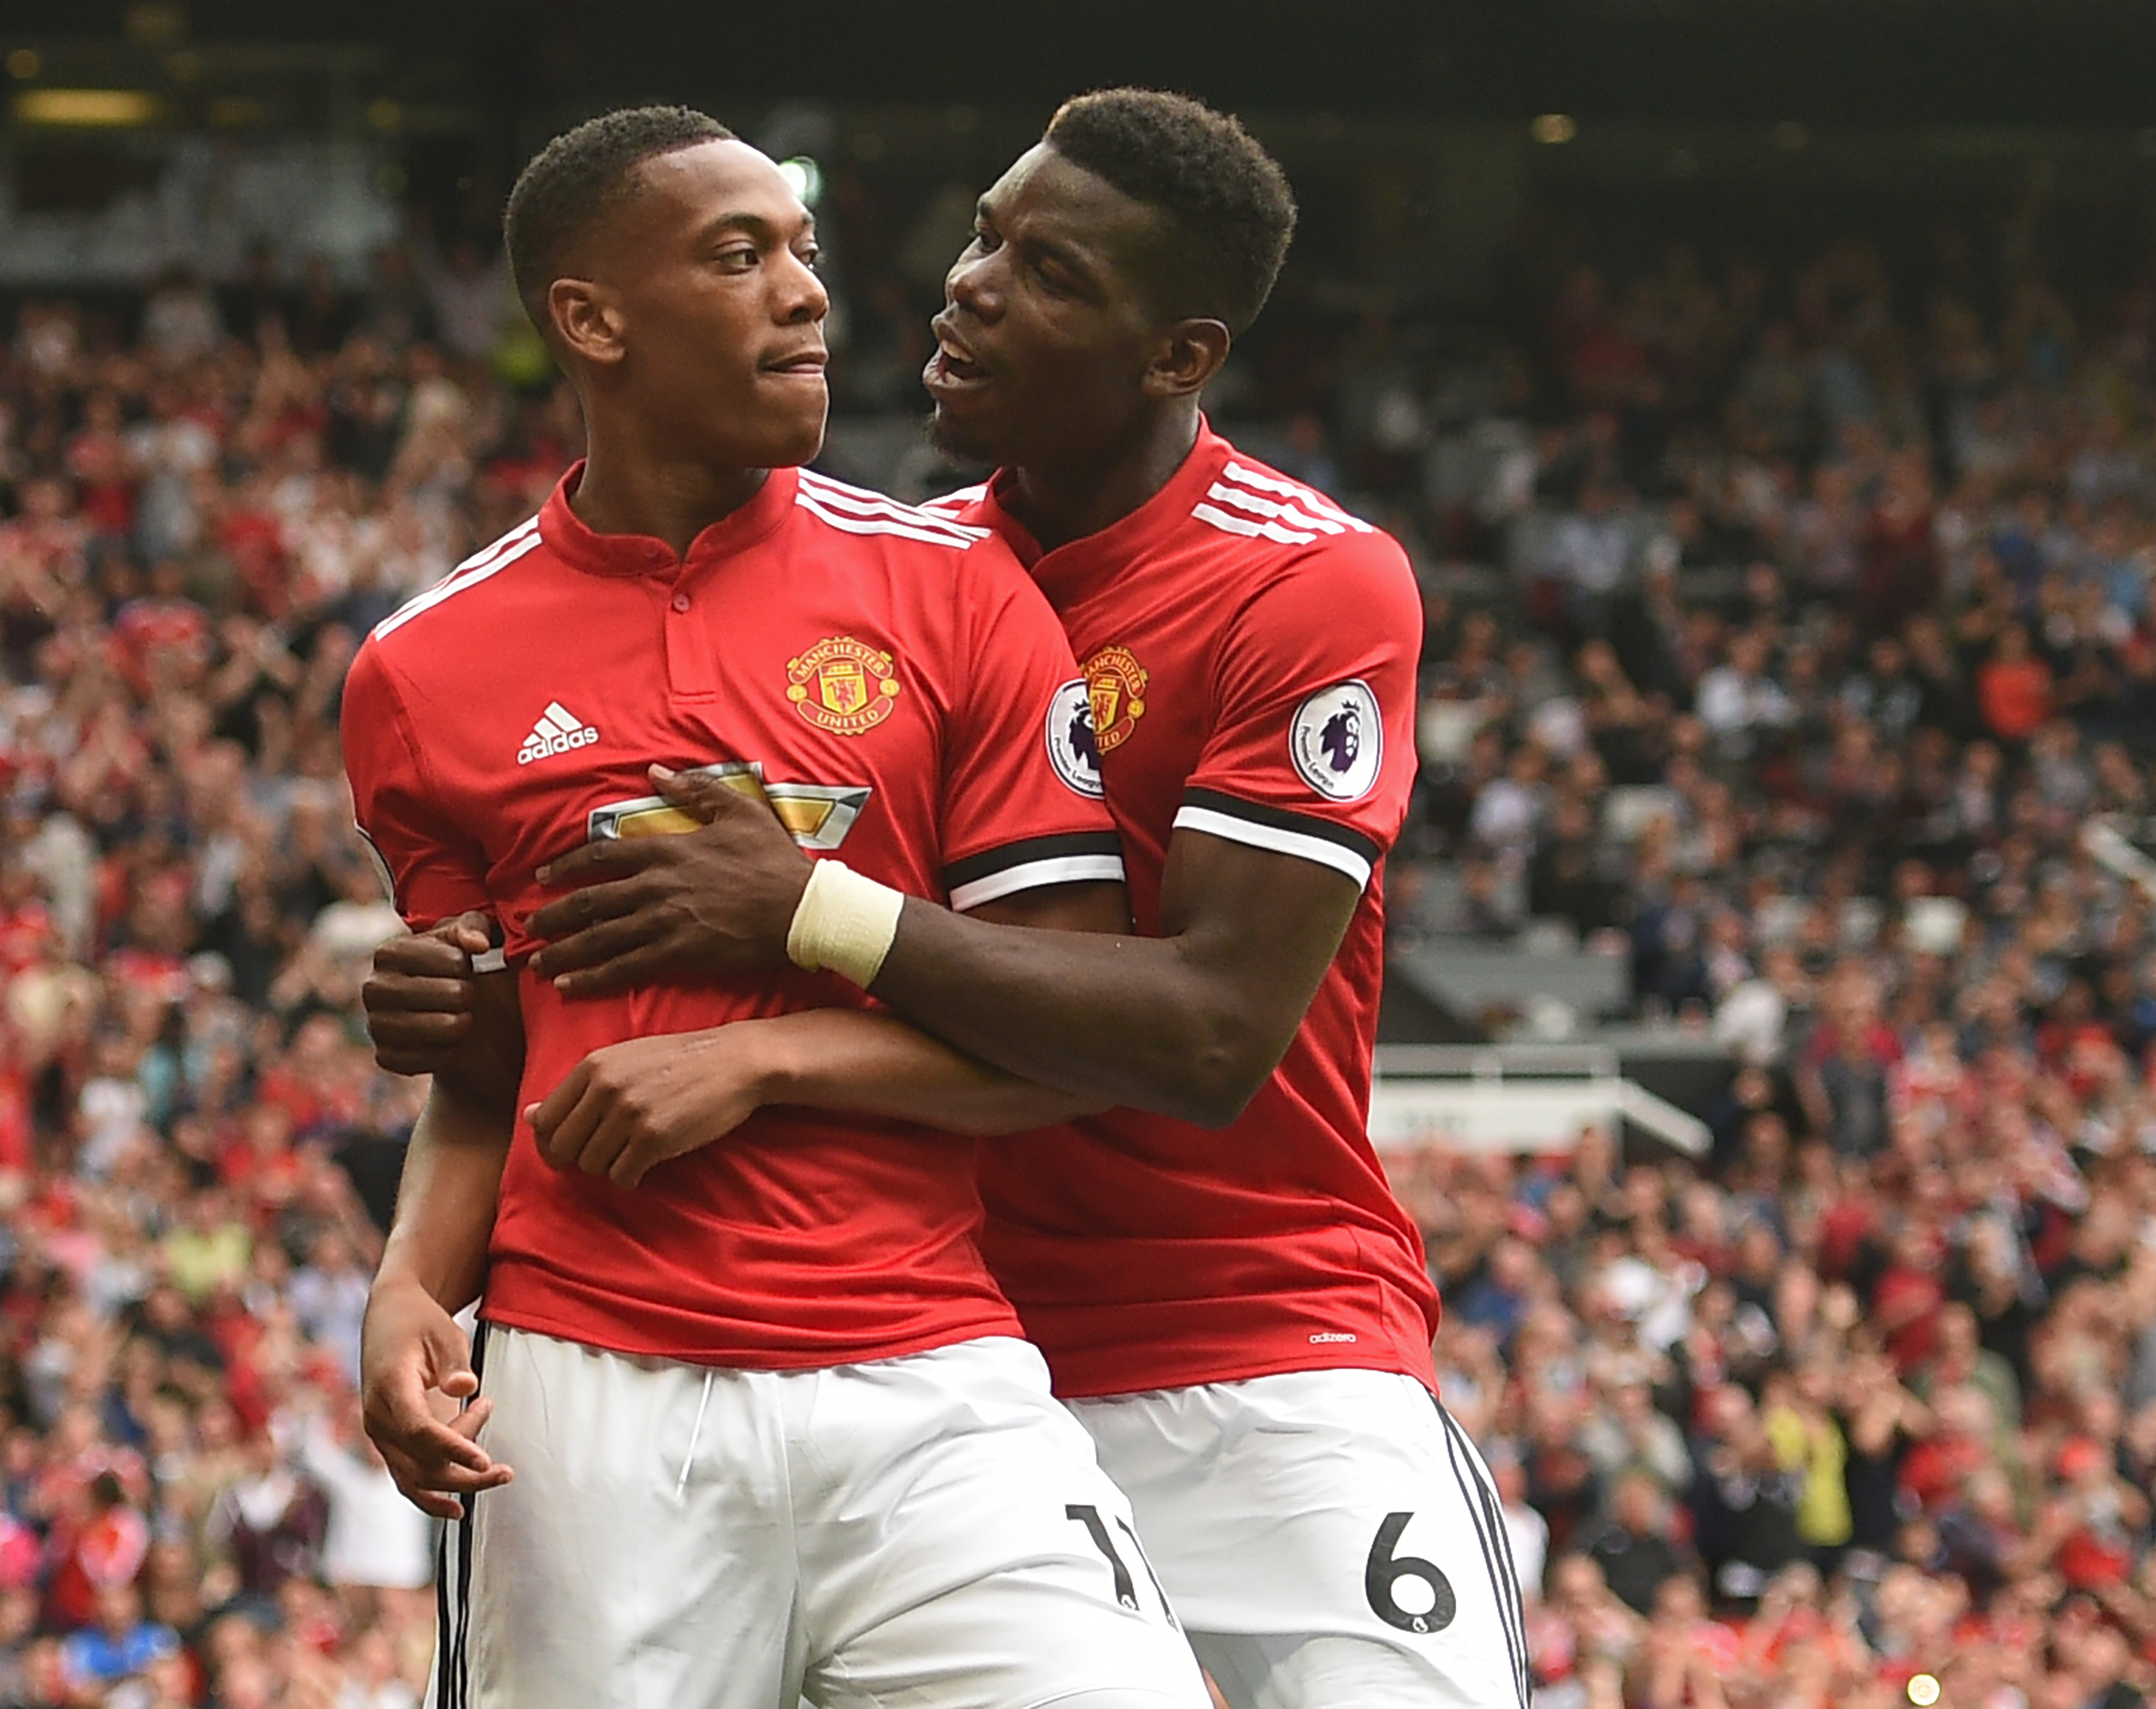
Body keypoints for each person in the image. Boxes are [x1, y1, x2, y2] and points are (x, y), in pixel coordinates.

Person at [365, 91, 1524, 1709]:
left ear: (1175, 354)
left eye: (1045, 271)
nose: (963, 286)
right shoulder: (906, 568)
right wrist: (477, 1021)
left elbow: (1208, 1034)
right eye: (982, 236)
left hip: (1256, 1336)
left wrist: (803, 915)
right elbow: (535, 1016)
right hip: (954, 1330)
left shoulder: (1301, 579)